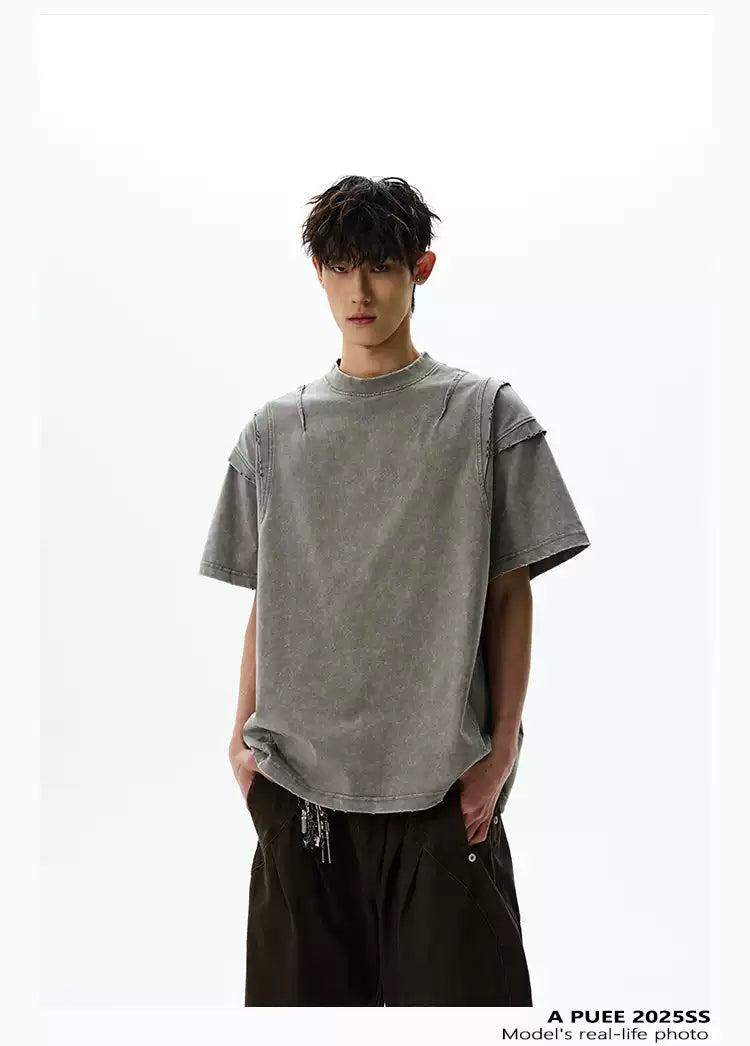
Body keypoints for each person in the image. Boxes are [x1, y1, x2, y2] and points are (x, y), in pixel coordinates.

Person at [198, 175, 591, 1006]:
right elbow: (270, 596)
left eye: (380, 266)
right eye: (341, 268)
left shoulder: (484, 416)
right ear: (317, 272)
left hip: (443, 799)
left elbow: (510, 593)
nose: (361, 292)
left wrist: (502, 751)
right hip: (297, 795)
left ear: (422, 268)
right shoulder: (275, 432)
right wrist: (240, 742)